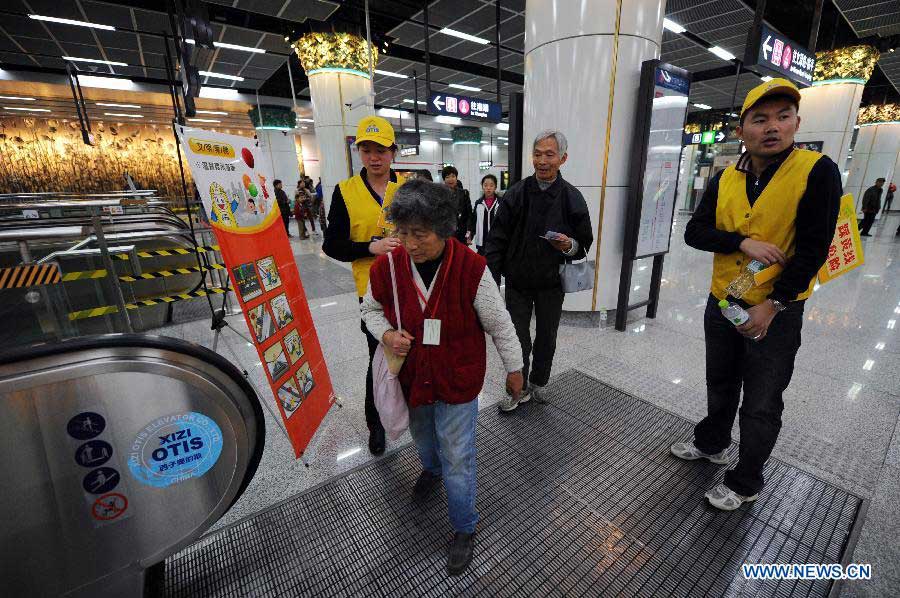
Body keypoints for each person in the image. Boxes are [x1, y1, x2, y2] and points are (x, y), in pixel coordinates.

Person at [672, 78, 841, 511]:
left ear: (796, 123)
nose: (773, 127)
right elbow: (696, 231)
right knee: (720, 381)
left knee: (762, 400)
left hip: (776, 311)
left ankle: (745, 480)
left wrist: (775, 304)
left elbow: (813, 249)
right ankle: (711, 442)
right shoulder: (726, 176)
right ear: (741, 130)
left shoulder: (816, 171)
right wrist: (740, 242)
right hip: (722, 300)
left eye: (783, 117)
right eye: (760, 119)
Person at [360, 178, 524, 576]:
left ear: (444, 228)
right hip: (414, 377)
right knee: (424, 438)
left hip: (457, 378)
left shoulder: (470, 267)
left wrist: (515, 369)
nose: (411, 243)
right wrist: (386, 333)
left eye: (420, 233)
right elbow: (369, 310)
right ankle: (429, 471)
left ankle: (464, 527)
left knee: (458, 457)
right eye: (403, 233)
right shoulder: (388, 266)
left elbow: (500, 324)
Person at [485, 130, 593, 412]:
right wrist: (491, 283)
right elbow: (496, 240)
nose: (542, 161)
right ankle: (517, 389)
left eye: (549, 154)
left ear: (563, 158)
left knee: (547, 336)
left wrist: (569, 245)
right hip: (518, 281)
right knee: (516, 337)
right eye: (537, 154)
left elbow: (584, 243)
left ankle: (539, 382)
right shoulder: (516, 193)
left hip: (551, 283)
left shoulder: (572, 198)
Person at [323, 116, 405, 456]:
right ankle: (377, 424)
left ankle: (411, 415)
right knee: (379, 358)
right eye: (367, 150)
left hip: (411, 287)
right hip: (371, 293)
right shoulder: (346, 192)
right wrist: (368, 247)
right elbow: (331, 245)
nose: (374, 157)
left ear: (393, 152)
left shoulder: (408, 190)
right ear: (359, 152)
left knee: (413, 355)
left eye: (382, 150)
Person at [441, 165, 472, 244]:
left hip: (461, 234)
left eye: (453, 176)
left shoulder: (464, 193)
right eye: (447, 177)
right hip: (446, 234)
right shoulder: (440, 195)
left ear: (456, 178)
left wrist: (468, 234)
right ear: (444, 179)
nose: (451, 179)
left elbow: (469, 216)